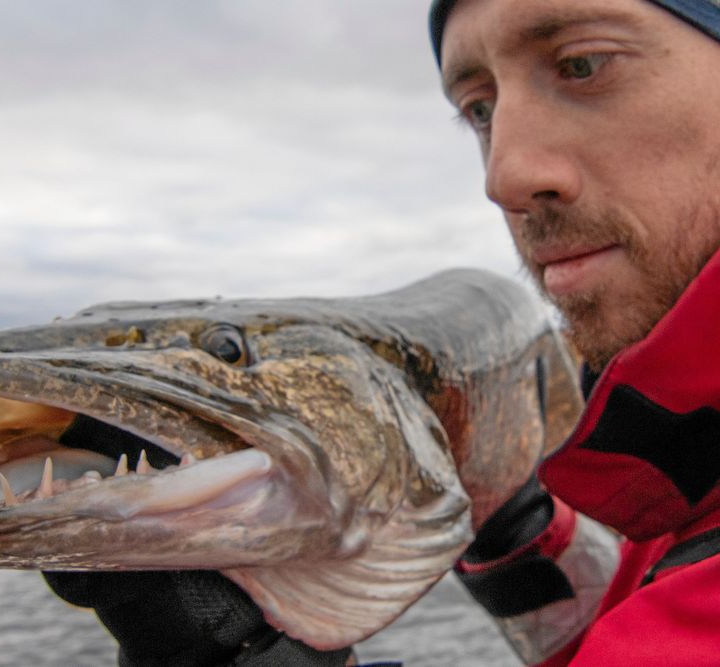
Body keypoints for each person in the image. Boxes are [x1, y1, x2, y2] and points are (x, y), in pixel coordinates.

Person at [45, 0, 720, 664]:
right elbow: (633, 624)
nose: (503, 176)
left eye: (582, 65)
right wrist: (513, 527)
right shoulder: (687, 475)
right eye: (479, 110)